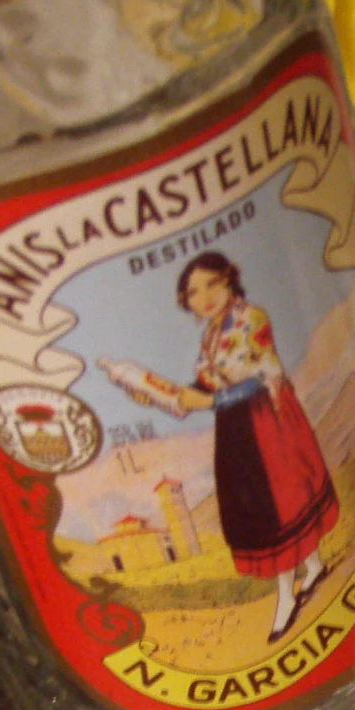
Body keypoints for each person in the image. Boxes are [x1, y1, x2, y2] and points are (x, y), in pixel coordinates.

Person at [107, 252, 339, 642]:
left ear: (230, 279)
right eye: (194, 292)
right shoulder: (211, 336)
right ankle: (312, 568)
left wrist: (211, 401)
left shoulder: (251, 318)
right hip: (236, 431)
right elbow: (207, 387)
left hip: (268, 422)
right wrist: (161, 395)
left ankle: (286, 596)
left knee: (280, 504)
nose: (205, 297)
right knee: (265, 504)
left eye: (212, 284)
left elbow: (267, 374)